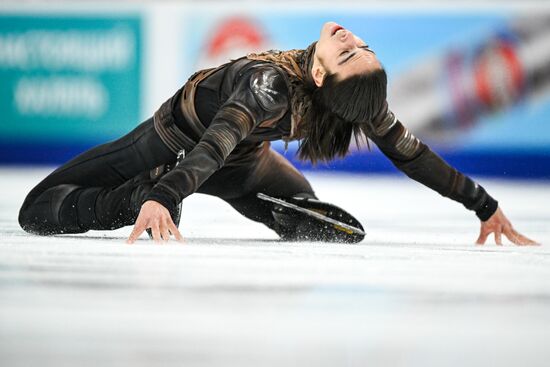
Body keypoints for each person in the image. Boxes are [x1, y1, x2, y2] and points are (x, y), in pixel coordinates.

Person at [18, 21, 537, 246]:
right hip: (185, 146)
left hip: (200, 152)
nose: (351, 40)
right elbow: (217, 141)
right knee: (40, 212)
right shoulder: (275, 88)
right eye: (361, 46)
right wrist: (163, 193)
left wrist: (482, 204)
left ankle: (146, 194)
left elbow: (414, 155)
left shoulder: (338, 97)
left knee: (38, 207)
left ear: (320, 76)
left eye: (352, 53)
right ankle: (134, 197)